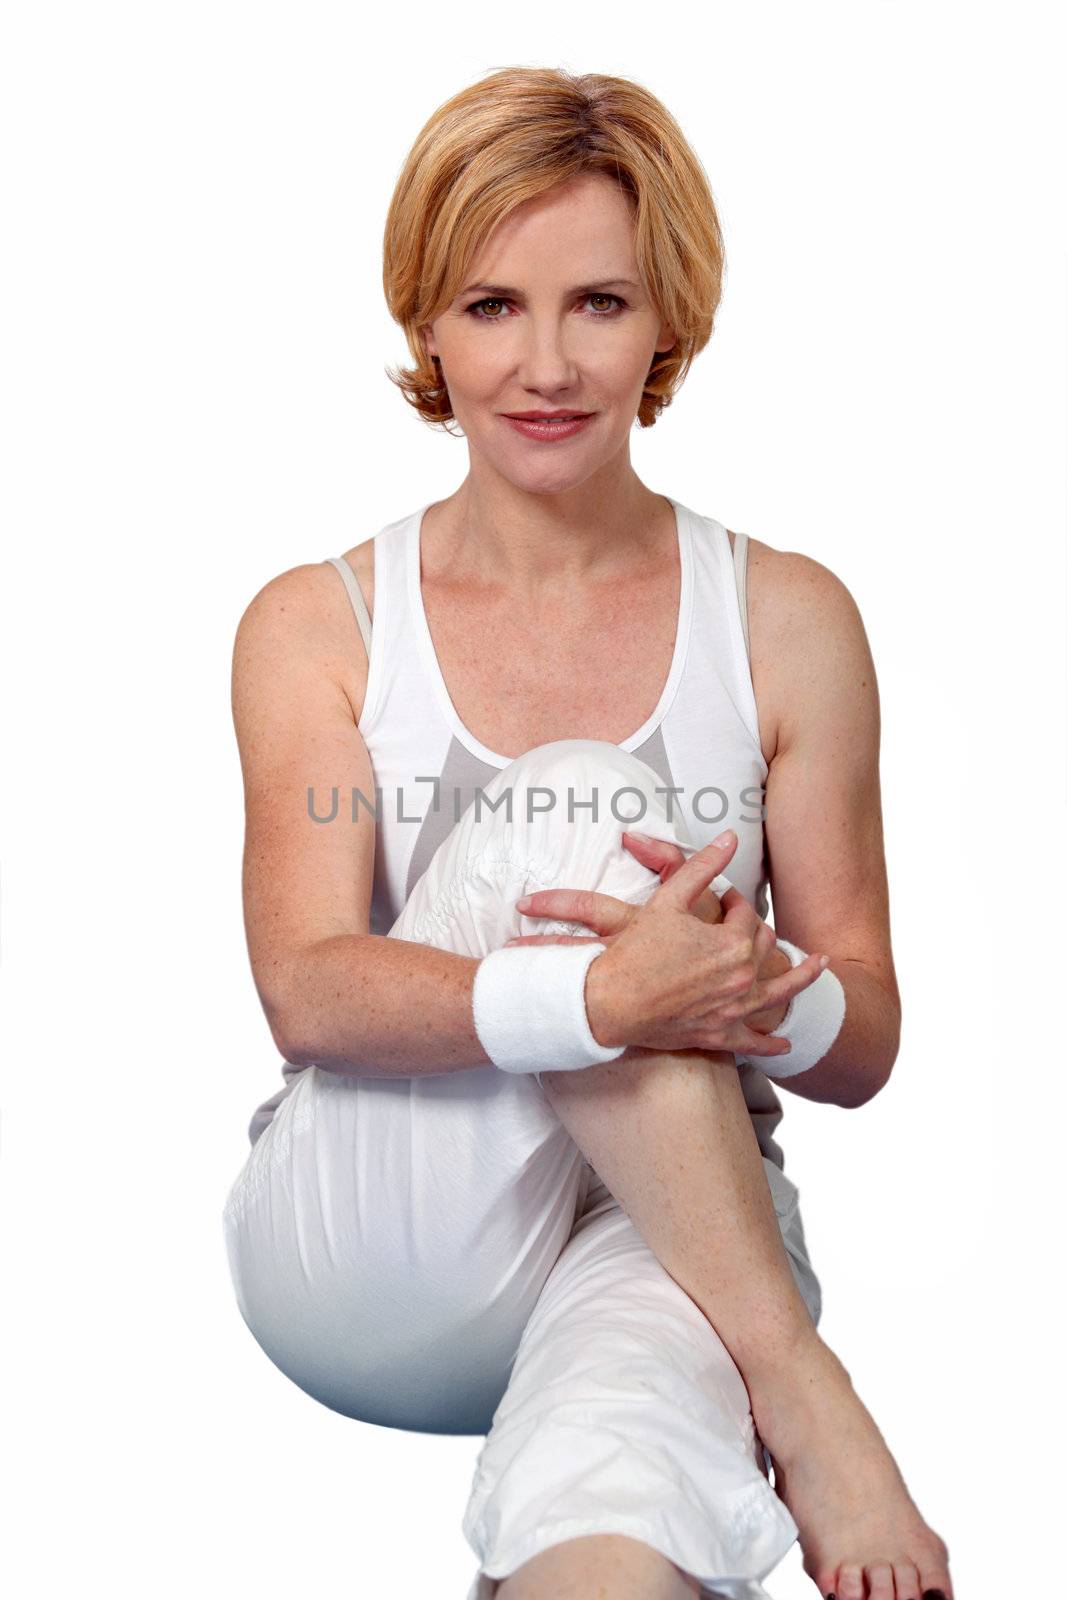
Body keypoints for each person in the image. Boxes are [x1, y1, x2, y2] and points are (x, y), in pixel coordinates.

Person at [221, 66, 954, 1600]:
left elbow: (865, 1039)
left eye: (599, 304)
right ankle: (799, 1387)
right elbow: (306, 989)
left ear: (666, 321)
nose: (547, 364)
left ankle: (624, 1486)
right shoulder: (320, 624)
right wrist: (608, 996)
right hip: (377, 1228)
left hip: (665, 1233)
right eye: (491, 305)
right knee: (584, 804)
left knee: (615, 1533)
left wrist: (752, 982)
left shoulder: (789, 617)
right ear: (425, 321)